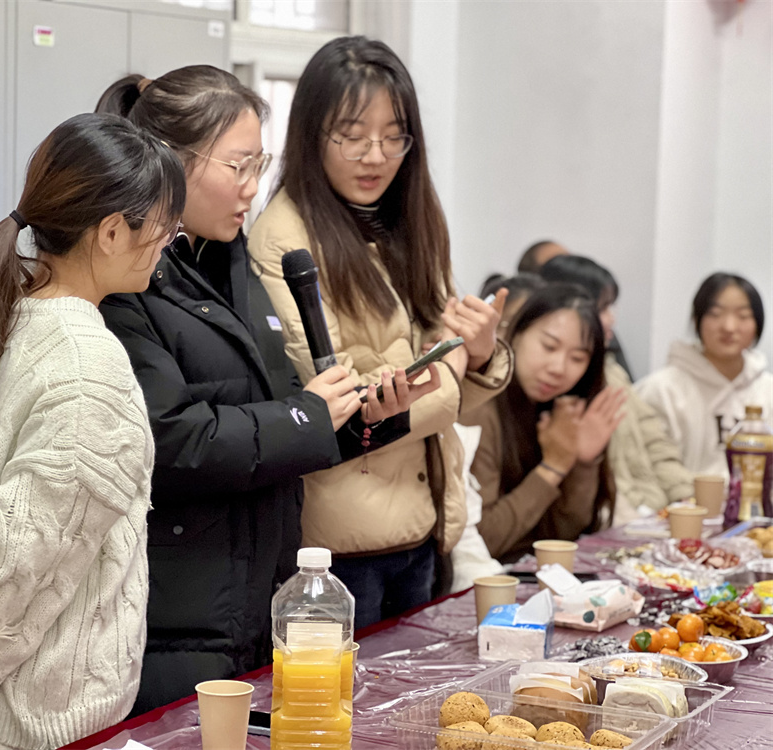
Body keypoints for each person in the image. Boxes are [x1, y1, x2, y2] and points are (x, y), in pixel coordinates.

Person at [96, 67, 436, 712]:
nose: (253, 187)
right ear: (169, 161)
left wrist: (364, 419)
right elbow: (171, 441)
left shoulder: (233, 263)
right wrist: (307, 416)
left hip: (255, 600)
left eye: (260, 164)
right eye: (239, 166)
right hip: (179, 615)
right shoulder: (128, 281)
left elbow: (276, 421)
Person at [0, 114, 185, 749]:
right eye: (164, 228)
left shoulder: (9, 321)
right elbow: (24, 563)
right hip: (41, 722)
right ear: (111, 232)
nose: (166, 245)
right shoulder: (88, 365)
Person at [248, 36, 512, 629]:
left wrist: (480, 351)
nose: (376, 156)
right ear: (312, 134)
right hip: (340, 546)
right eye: (353, 135)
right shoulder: (284, 239)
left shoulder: (409, 220)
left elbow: (444, 369)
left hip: (425, 522)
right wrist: (453, 368)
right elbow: (338, 400)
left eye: (395, 136)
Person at [460, 284, 625, 563]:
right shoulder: (479, 409)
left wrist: (582, 463)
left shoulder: (558, 409)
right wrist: (553, 467)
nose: (558, 368)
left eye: (577, 358)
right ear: (516, 333)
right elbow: (481, 541)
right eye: (549, 346)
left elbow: (565, 533)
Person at [539, 255, 693, 521]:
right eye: (603, 308)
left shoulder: (613, 371)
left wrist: (684, 496)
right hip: (618, 520)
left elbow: (654, 439)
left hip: (651, 513)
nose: (611, 319)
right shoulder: (562, 384)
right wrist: (642, 521)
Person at [637, 272, 773, 478]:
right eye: (715, 314)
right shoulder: (661, 390)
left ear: (758, 324)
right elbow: (645, 469)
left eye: (743, 316)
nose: (729, 327)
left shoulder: (767, 391)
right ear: (696, 320)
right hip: (679, 497)